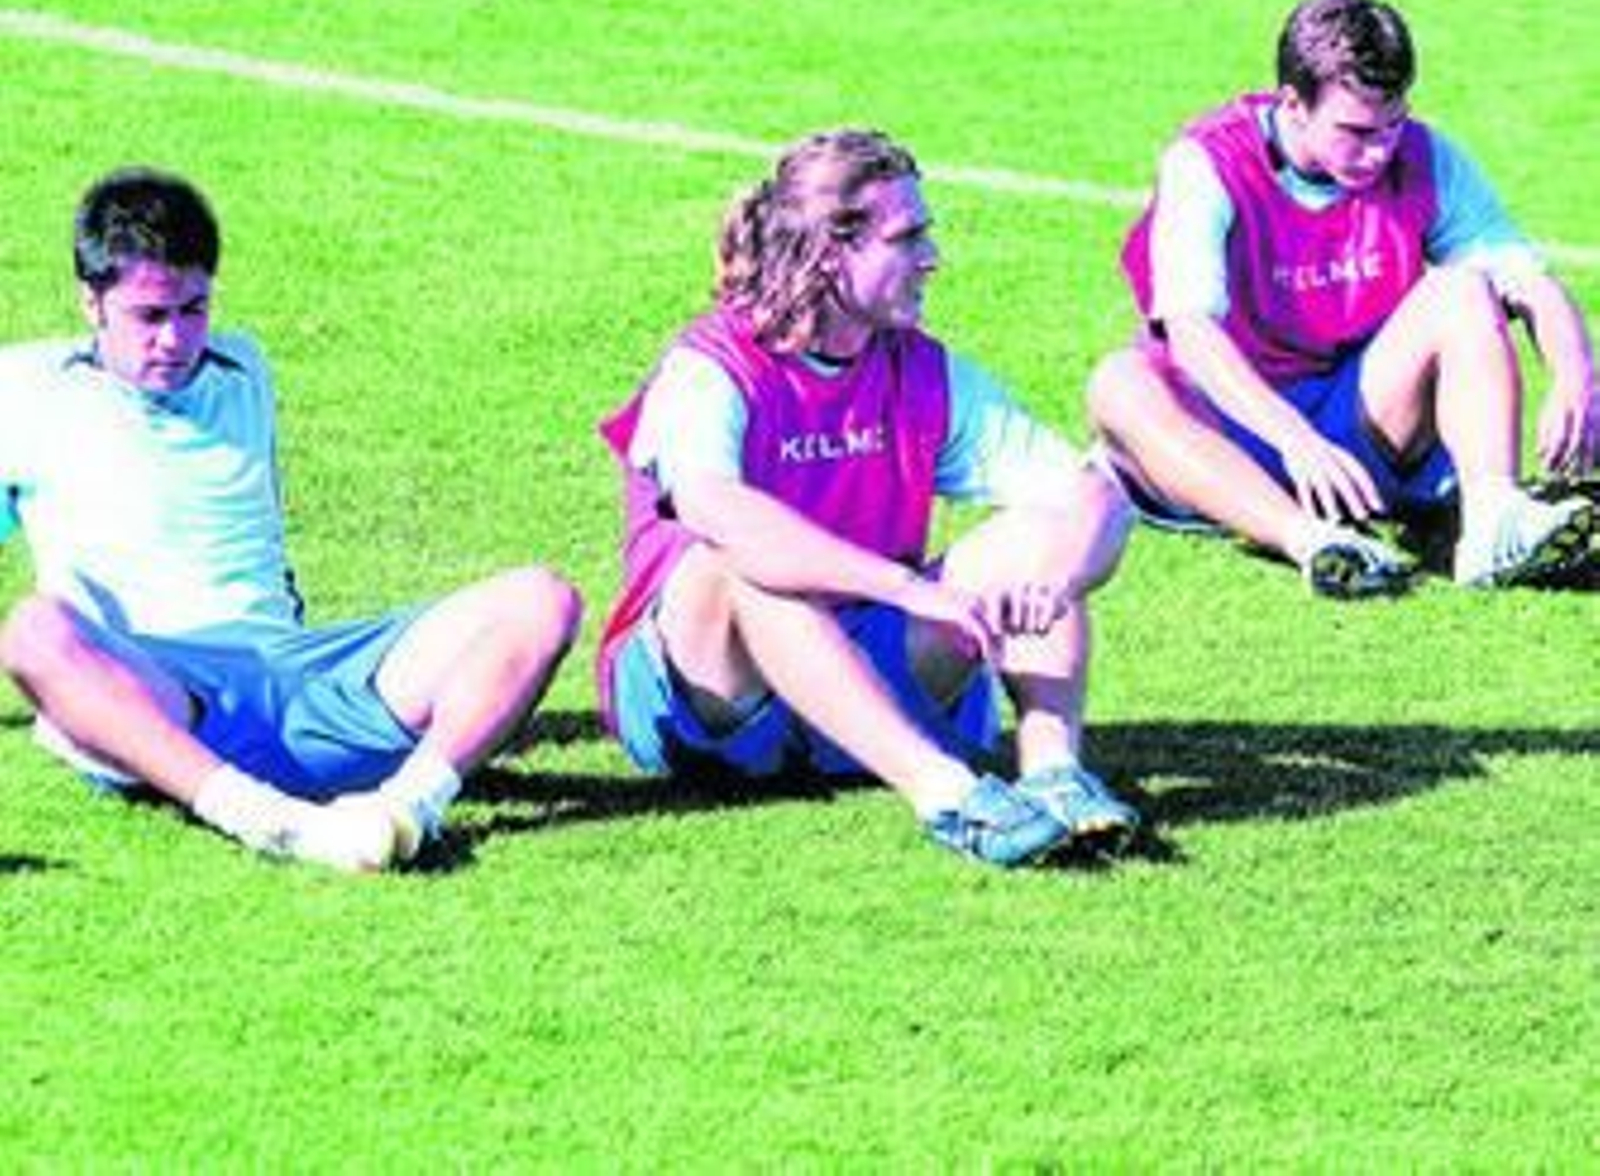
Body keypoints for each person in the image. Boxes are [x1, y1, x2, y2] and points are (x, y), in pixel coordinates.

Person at [0, 168, 582, 871]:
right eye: (149, 316)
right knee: (34, 630)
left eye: (194, 308)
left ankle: (405, 807)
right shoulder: (24, 390)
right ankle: (270, 823)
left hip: (305, 680)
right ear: (90, 301)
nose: (175, 338)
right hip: (162, 692)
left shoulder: (243, 367)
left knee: (542, 600)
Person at [595, 128, 1138, 869]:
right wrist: (910, 588)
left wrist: (1058, 580)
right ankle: (948, 795)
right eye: (906, 237)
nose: (932, 258)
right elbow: (719, 509)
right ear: (829, 254)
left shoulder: (922, 373)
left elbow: (1093, 493)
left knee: (1047, 529)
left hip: (868, 681)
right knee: (744, 563)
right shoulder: (708, 368)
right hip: (714, 701)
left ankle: (1053, 775)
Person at [1090, 0, 1596, 595]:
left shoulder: (1423, 156)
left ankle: (1493, 522)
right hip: (1229, 433)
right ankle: (1313, 541)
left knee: (1464, 290)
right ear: (1293, 104)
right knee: (1118, 383)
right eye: (1356, 131)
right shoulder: (1205, 164)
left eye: (1393, 124)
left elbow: (1528, 281)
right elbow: (1192, 334)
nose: (1380, 150)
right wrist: (1295, 439)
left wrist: (1575, 375)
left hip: (1356, 417)